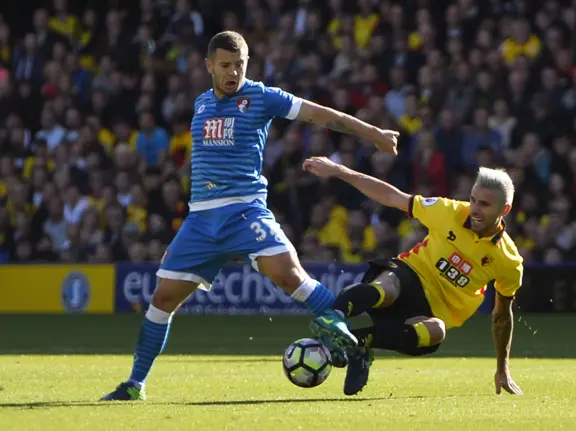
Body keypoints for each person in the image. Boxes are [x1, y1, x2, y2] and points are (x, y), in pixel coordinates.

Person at [101, 31, 399, 401]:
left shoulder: (261, 97)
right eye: (225, 65)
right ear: (209, 66)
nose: (233, 72)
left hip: (245, 210)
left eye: (239, 65)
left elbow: (324, 115)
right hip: (201, 220)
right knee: (162, 299)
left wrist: (373, 133)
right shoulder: (201, 105)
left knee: (290, 276)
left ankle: (356, 349)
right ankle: (135, 385)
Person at [303, 157, 524, 397]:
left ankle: (356, 345)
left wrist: (502, 368)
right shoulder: (448, 211)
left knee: (437, 331)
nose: (474, 209)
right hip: (409, 274)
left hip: (428, 312)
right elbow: (391, 196)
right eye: (472, 200)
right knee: (387, 288)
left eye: (484, 204)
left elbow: (502, 315)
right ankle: (333, 317)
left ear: (505, 210)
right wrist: (339, 170)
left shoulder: (508, 261)